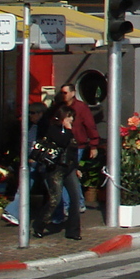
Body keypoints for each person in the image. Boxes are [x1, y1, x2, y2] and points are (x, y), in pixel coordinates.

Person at [33, 98, 82, 240]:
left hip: (69, 168)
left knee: (75, 198)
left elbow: (73, 152)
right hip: (55, 168)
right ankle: (39, 224)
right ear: (62, 117)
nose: (71, 120)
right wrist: (66, 130)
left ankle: (73, 231)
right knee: (55, 198)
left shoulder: (70, 132)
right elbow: (60, 142)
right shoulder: (53, 129)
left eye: (72, 117)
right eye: (69, 117)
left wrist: (77, 168)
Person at [59, 82, 99, 226]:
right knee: (68, 174)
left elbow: (89, 125)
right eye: (61, 93)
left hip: (77, 146)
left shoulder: (81, 107)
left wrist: (94, 144)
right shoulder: (59, 107)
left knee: (68, 174)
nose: (63, 95)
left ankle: (71, 204)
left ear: (72, 93)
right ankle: (75, 202)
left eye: (65, 92)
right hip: (63, 145)